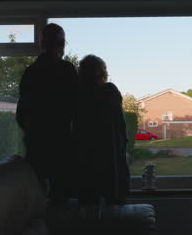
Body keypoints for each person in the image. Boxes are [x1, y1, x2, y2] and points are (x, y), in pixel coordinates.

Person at [16, 23, 78, 204]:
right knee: (61, 201)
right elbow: (77, 109)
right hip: (62, 146)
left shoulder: (30, 73)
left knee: (36, 202)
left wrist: (33, 130)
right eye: (62, 42)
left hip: (37, 147)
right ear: (62, 44)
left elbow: (21, 116)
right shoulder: (67, 70)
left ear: (42, 43)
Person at [77, 54, 130, 206]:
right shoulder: (110, 92)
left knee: (88, 209)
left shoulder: (78, 97)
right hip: (110, 160)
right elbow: (120, 128)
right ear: (102, 74)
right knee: (115, 212)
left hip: (85, 161)